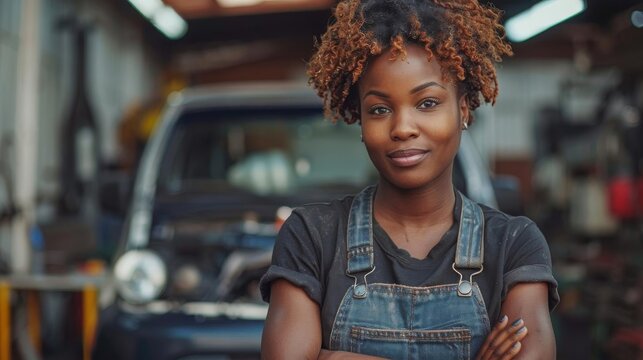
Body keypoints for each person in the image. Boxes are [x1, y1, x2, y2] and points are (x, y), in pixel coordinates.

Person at [259, 0, 559, 358]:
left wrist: (330, 355)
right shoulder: (311, 237)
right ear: (360, 119)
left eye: (427, 103)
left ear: (462, 110)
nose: (402, 128)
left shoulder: (513, 245)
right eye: (380, 109)